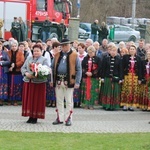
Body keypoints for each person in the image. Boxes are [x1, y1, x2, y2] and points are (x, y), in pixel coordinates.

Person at [51, 38, 82, 126]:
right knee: (59, 100)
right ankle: (60, 118)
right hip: (58, 80)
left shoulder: (75, 55)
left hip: (69, 80)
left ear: (69, 45)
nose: (65, 47)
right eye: (63, 45)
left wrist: (77, 82)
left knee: (68, 101)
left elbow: (79, 69)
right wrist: (52, 80)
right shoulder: (57, 55)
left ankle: (68, 118)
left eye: (66, 45)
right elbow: (52, 67)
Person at [21, 44, 50, 124]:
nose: (36, 52)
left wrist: (39, 73)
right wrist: (26, 73)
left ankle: (35, 116)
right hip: (28, 82)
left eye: (38, 51)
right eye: (34, 51)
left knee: (37, 100)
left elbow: (47, 70)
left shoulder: (44, 59)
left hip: (38, 83)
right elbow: (23, 68)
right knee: (29, 99)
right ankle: (30, 116)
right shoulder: (29, 58)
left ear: (41, 51)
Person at [100, 45, 123, 110]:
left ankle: (114, 106)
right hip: (107, 78)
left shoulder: (119, 60)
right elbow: (103, 69)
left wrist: (121, 78)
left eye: (114, 51)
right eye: (112, 50)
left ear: (116, 52)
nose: (113, 52)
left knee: (114, 92)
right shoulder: (106, 59)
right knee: (107, 92)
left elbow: (120, 70)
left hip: (116, 78)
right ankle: (106, 105)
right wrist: (102, 77)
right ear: (109, 51)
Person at [121, 44, 142, 111]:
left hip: (135, 77)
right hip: (127, 76)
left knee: (133, 91)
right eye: (131, 49)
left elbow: (140, 69)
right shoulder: (125, 57)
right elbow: (122, 68)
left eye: (133, 49)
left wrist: (139, 79)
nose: (132, 50)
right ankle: (125, 105)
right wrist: (122, 77)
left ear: (135, 50)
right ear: (129, 50)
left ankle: (131, 105)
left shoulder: (138, 58)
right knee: (126, 90)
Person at [7, 40, 24, 105]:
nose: (14, 47)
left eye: (15, 46)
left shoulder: (20, 53)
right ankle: (9, 100)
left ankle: (16, 100)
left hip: (17, 72)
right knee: (10, 85)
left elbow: (22, 61)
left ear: (17, 46)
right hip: (10, 71)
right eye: (12, 46)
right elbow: (6, 60)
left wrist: (15, 65)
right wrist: (10, 65)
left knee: (16, 86)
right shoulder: (8, 52)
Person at [0, 42, 11, 106]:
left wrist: (1, 63)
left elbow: (8, 61)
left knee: (2, 85)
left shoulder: (5, 53)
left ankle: (1, 100)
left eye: (0, 46)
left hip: (3, 71)